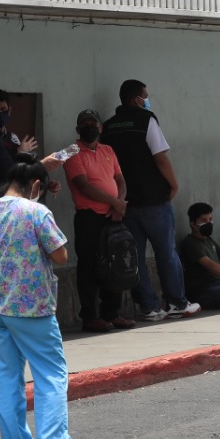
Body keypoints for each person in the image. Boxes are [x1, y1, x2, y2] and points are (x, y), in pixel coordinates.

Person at [0, 162, 84, 439]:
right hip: (32, 307)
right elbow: (60, 255)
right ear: (36, 185)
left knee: (7, 376)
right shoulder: (37, 213)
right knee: (50, 373)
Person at [101, 80, 199, 320]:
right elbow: (160, 157)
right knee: (166, 252)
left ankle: (149, 307)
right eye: (145, 96)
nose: (147, 99)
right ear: (137, 99)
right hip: (154, 199)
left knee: (135, 257)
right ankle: (177, 302)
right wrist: (174, 184)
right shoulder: (146, 119)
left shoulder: (109, 126)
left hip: (124, 201)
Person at [62, 109, 135, 332]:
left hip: (113, 217)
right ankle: (90, 316)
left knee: (115, 263)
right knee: (89, 267)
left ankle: (112, 313)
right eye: (85, 124)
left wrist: (119, 205)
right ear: (78, 129)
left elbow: (120, 181)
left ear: (101, 127)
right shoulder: (71, 152)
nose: (90, 127)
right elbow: (84, 186)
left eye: (93, 123)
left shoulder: (108, 150)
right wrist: (115, 203)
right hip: (89, 218)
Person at [0, 89, 38, 161]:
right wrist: (19, 152)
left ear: (9, 111)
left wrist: (23, 153)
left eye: (3, 109)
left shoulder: (13, 138)